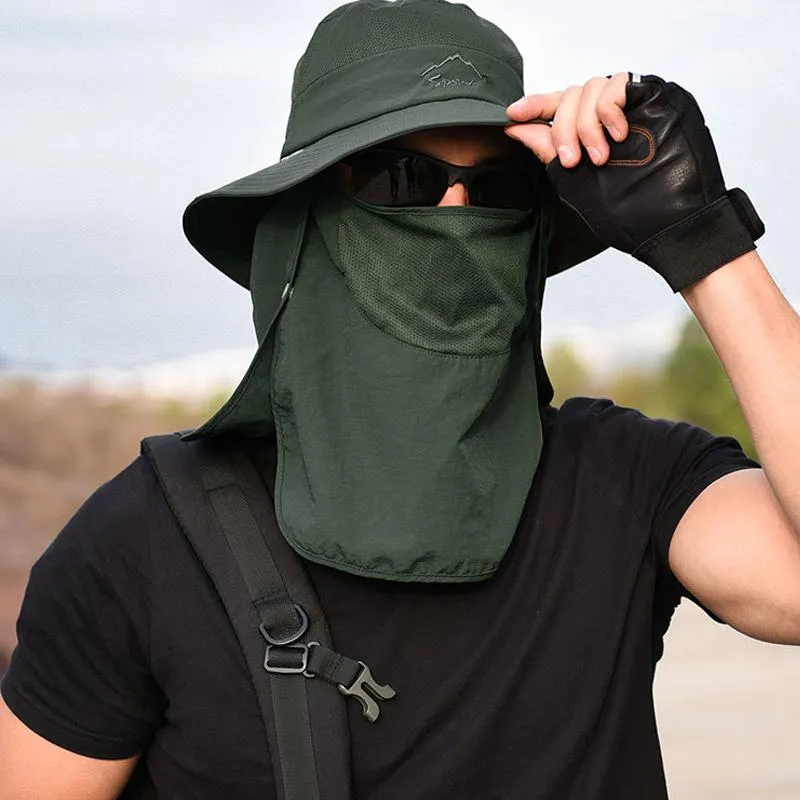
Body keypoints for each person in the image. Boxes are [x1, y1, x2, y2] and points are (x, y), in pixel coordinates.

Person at [1, 1, 799, 798]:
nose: (455, 217)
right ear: (304, 217)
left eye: (495, 186)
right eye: (401, 178)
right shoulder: (144, 540)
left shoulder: (629, 479)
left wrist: (703, 240)